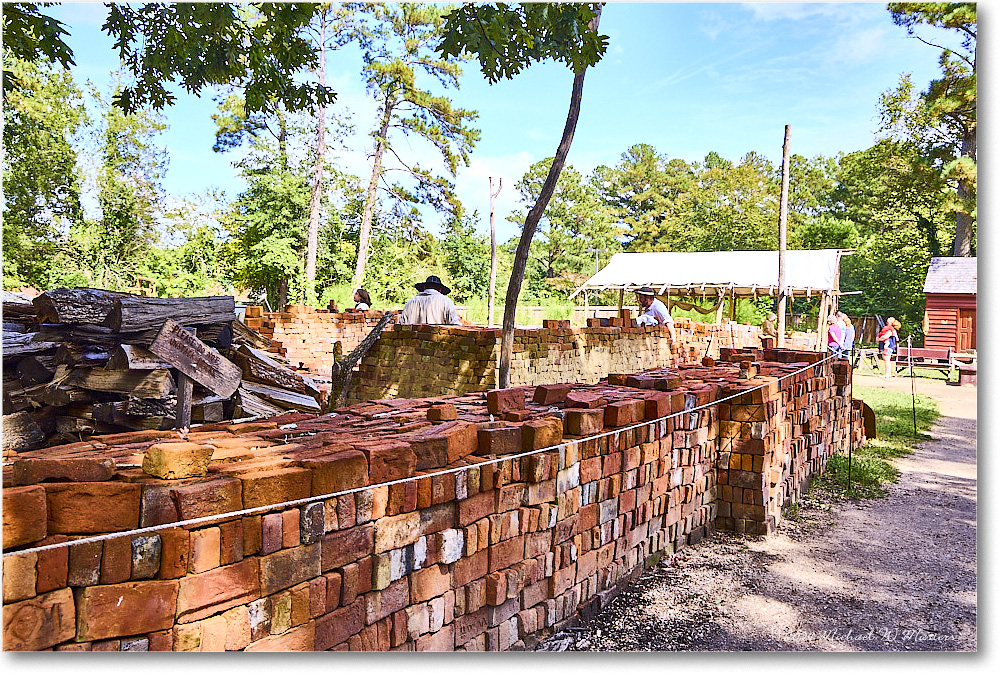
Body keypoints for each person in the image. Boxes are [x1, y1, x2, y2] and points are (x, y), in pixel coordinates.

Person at [397, 275, 463, 325]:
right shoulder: (446, 301)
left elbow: (400, 324)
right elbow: (455, 324)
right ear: (440, 289)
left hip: (412, 341)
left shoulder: (411, 302)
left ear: (424, 287)